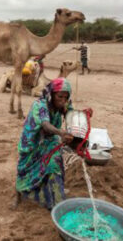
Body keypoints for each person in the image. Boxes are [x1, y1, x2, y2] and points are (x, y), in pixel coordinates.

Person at [13, 77, 75, 210]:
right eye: (60, 97)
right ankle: (18, 195)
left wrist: (73, 126)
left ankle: (57, 201)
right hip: (33, 142)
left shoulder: (64, 104)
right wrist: (61, 133)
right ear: (52, 94)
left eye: (66, 97)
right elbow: (46, 125)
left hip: (50, 140)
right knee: (25, 170)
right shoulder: (40, 105)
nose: (63, 100)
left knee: (54, 164)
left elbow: (71, 114)